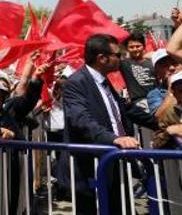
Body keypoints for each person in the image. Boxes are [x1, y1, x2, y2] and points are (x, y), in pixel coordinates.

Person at [62, 34, 159, 215]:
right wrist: (115, 139)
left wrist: (160, 124)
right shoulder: (76, 83)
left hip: (113, 161)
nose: (121, 59)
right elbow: (81, 121)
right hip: (91, 166)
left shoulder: (105, 82)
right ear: (102, 58)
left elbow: (126, 109)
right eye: (117, 55)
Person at [119, 32, 156, 110]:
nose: (135, 49)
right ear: (127, 48)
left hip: (156, 99)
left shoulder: (153, 62)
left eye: (138, 46)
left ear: (144, 46)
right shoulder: (124, 64)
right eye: (131, 47)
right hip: (138, 103)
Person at [146, 49, 181, 116]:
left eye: (174, 63)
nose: (172, 68)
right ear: (157, 73)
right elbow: (159, 118)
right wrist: (171, 91)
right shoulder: (154, 95)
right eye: (165, 65)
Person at [152, 72, 182, 149]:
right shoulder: (170, 113)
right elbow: (156, 145)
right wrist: (167, 133)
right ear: (175, 94)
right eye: (181, 91)